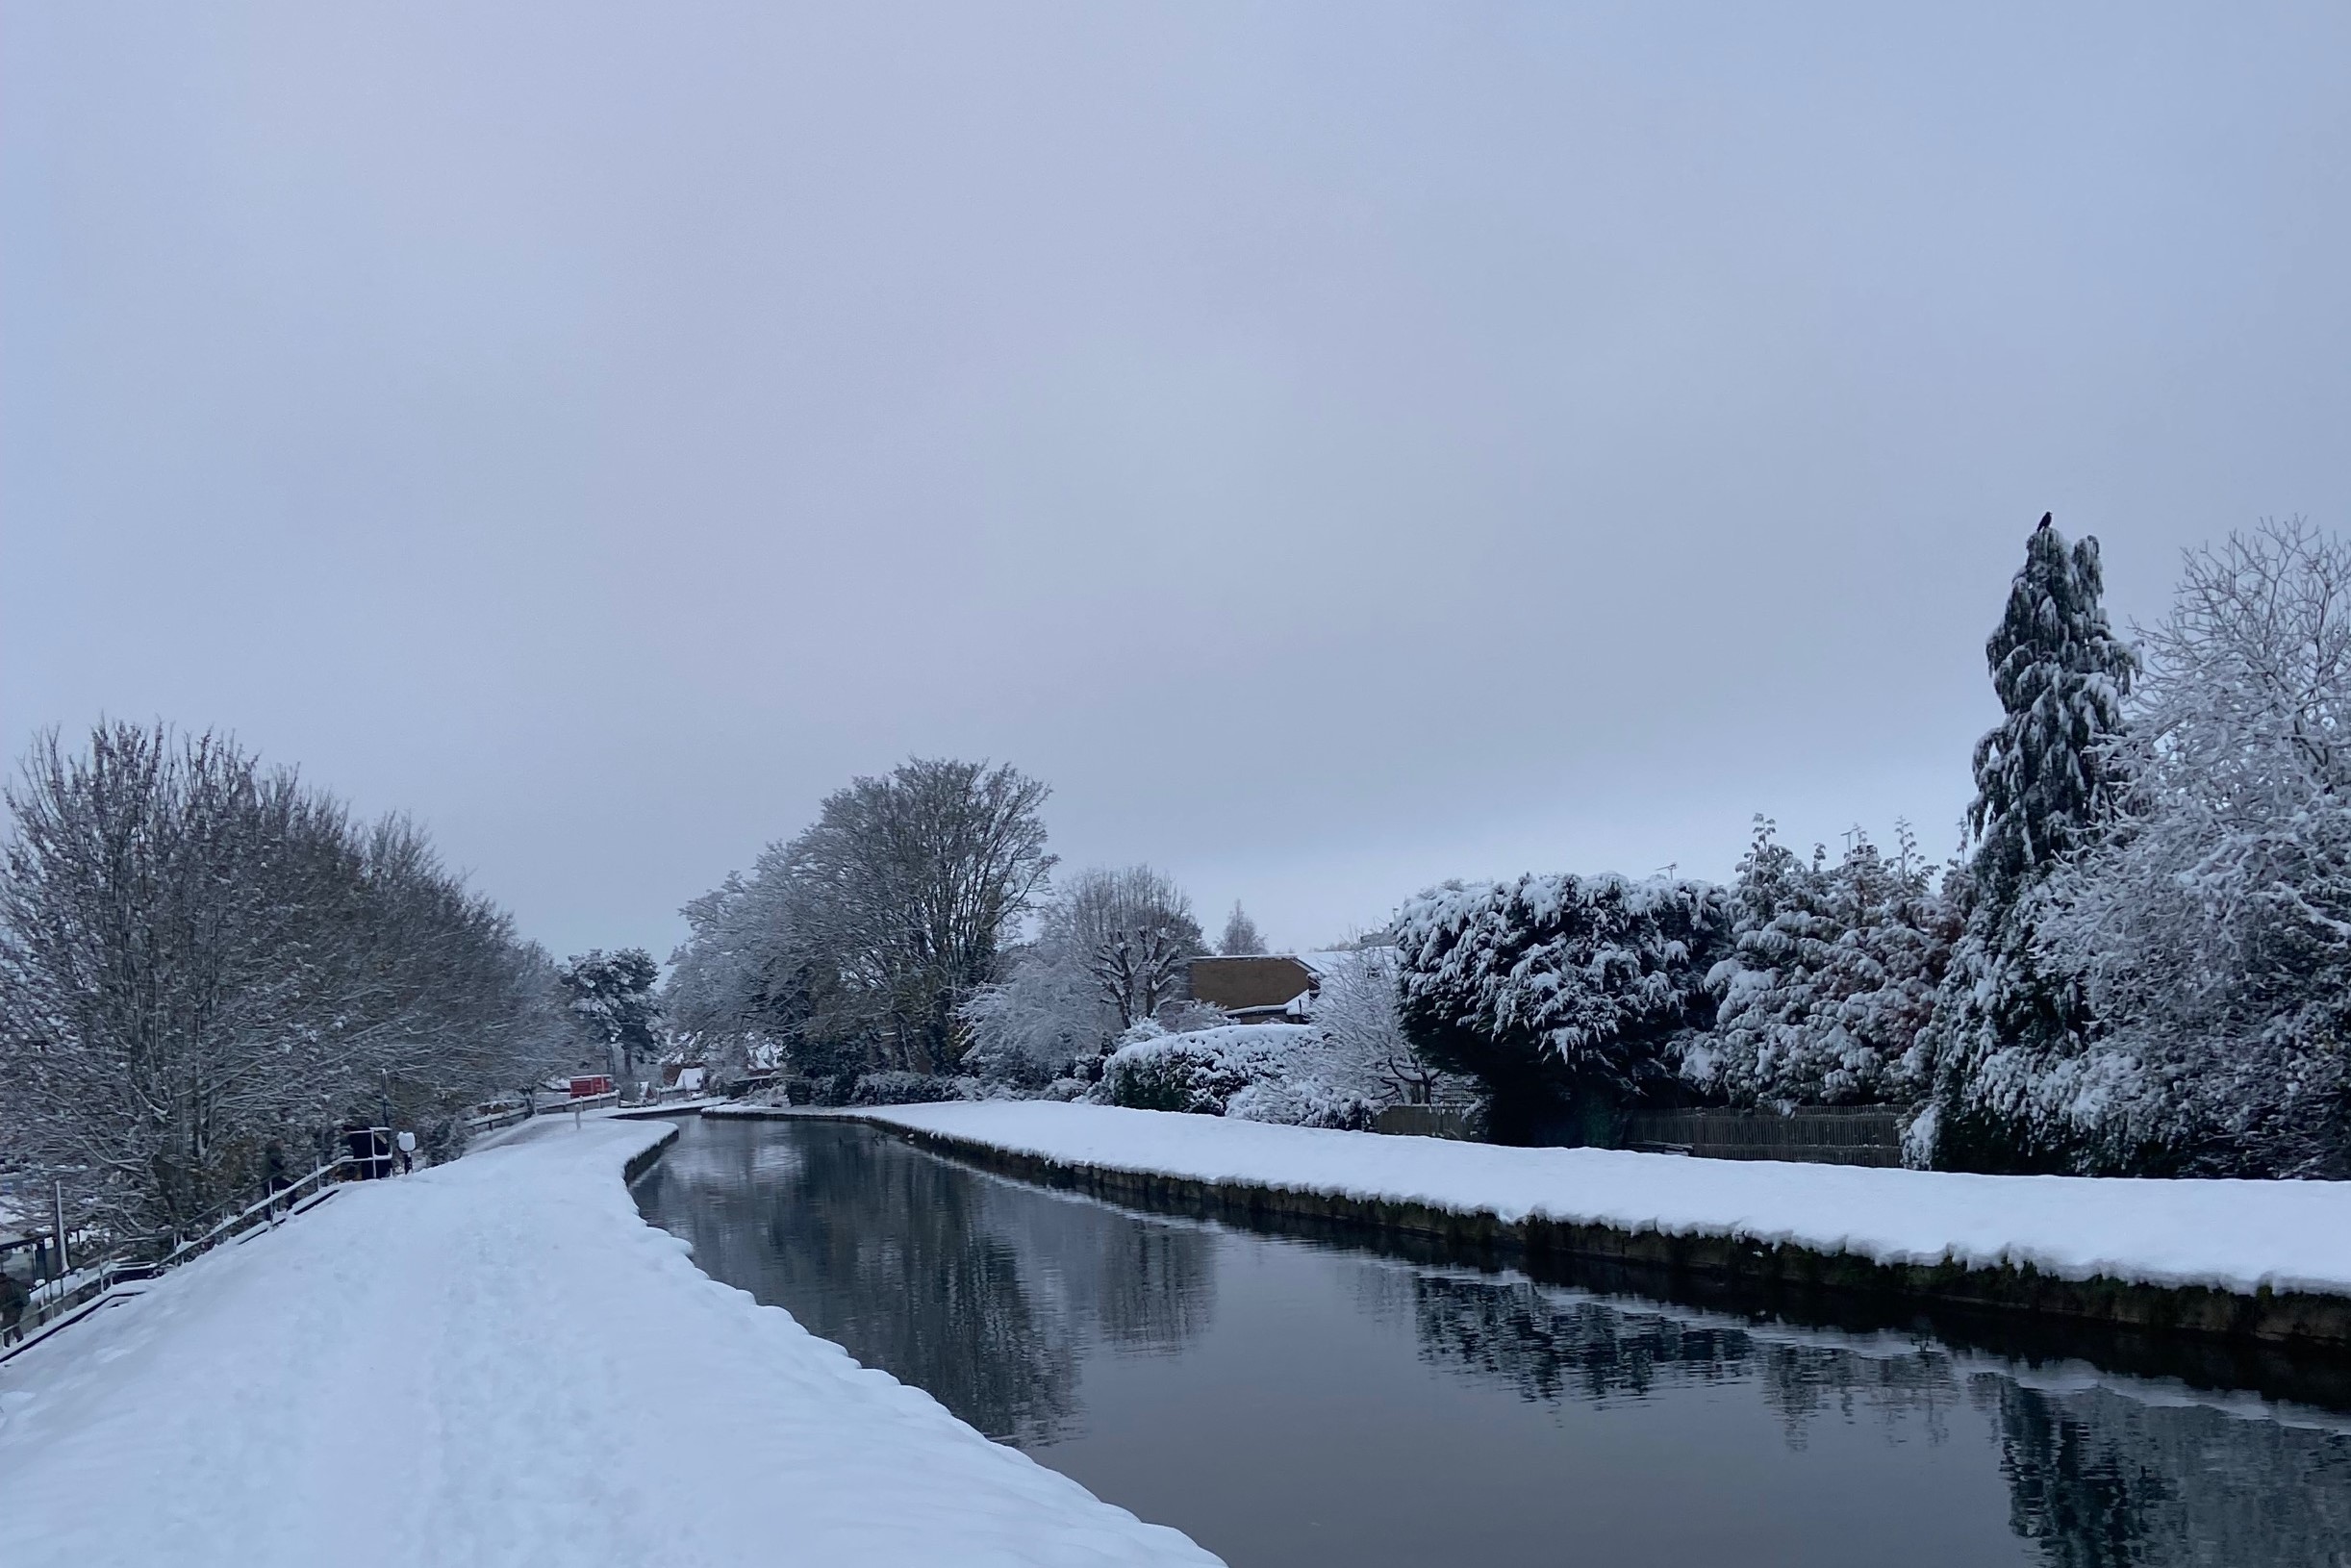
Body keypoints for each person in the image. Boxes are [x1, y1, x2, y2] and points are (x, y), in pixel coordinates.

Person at [0, 1265, 29, 1347]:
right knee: (14, 1326)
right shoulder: (12, 1282)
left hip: (10, 1309)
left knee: (7, 1328)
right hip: (16, 1308)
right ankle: (21, 1342)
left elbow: (2, 1300)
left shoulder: (4, 1286)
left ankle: (6, 1346)